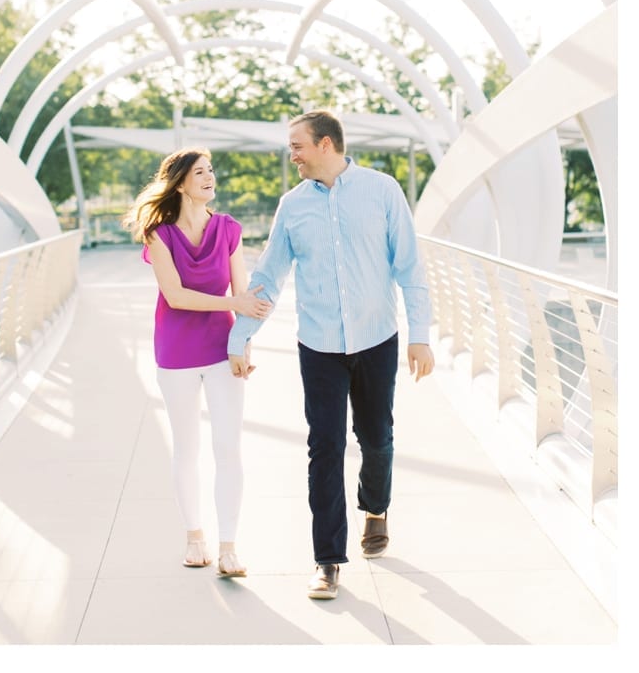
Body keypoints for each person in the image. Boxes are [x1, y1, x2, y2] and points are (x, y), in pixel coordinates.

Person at [226, 109, 435, 601]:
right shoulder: (292, 206)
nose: (291, 154)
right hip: (318, 345)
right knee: (324, 447)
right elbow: (267, 278)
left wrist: (419, 334)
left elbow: (410, 264)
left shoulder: (382, 190)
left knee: (376, 438)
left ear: (326, 145)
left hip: (377, 338)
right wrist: (241, 337)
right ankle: (327, 560)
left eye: (297, 145)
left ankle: (375, 508)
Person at [123, 148, 273, 579]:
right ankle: (195, 538)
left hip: (223, 350)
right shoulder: (159, 234)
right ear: (180, 182)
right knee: (186, 448)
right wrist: (233, 302)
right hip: (176, 353)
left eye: (211, 171)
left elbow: (244, 291)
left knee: (228, 448)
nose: (209, 178)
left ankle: (229, 548)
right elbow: (176, 296)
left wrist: (244, 346)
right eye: (200, 172)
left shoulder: (228, 229)